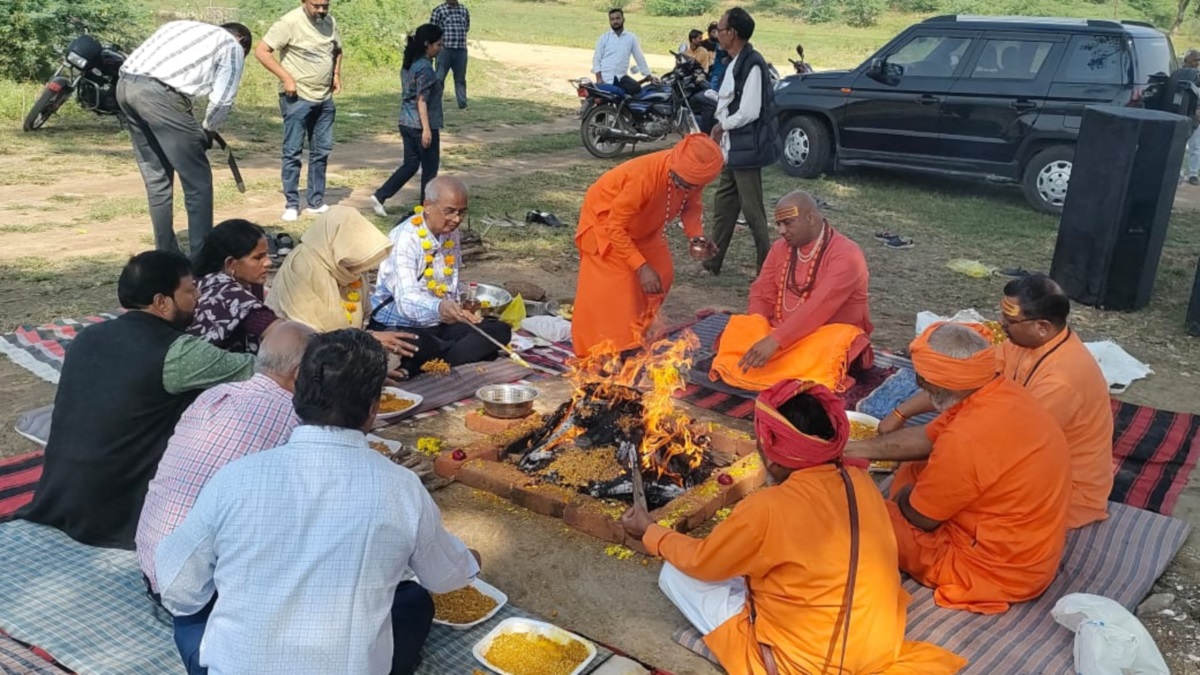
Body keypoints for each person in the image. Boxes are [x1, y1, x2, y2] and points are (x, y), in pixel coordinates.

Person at [156, 329, 481, 675]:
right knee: (413, 602)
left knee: (193, 618)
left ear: (297, 393)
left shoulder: (236, 478)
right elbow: (446, 579)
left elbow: (178, 589)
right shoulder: (401, 488)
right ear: (374, 409)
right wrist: (471, 559)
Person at [621, 381, 966, 675]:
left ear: (770, 453)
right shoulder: (858, 479)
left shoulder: (767, 509)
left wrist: (650, 532)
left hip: (807, 664)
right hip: (877, 646)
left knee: (676, 572)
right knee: (751, 560)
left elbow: (702, 562)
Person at [17, 251, 255, 549]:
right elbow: (261, 371)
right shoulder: (180, 353)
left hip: (58, 494)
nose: (197, 298)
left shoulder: (86, 337)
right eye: (190, 289)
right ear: (162, 302)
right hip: (119, 507)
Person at [846, 323, 1072, 614]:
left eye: (922, 378)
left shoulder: (965, 438)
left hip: (991, 573)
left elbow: (919, 517)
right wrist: (850, 449)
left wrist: (903, 497)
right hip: (1027, 552)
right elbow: (928, 437)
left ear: (939, 383)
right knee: (916, 465)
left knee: (855, 508)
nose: (919, 384)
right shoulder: (1002, 392)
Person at [879, 275, 1113, 529]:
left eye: (1010, 321)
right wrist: (901, 413)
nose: (1001, 325)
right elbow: (963, 380)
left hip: (1062, 492)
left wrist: (931, 451)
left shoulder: (1062, 381)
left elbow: (1001, 445)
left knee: (936, 501)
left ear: (1042, 327)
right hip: (1010, 447)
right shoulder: (1022, 341)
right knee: (921, 472)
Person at [137, 321, 314, 596]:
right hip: (204, 587)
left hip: (153, 562)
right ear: (300, 373)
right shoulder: (294, 417)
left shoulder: (214, 395)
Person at [571, 134, 725, 357]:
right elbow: (615, 226)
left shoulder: (692, 176)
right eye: (683, 182)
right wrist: (640, 267)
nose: (687, 187)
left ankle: (637, 332)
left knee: (663, 274)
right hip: (606, 227)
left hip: (644, 229)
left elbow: (691, 206)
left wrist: (695, 237)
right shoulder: (643, 176)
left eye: (693, 185)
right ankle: (603, 352)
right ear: (674, 165)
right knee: (621, 290)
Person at [710, 191, 873, 391]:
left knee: (824, 348)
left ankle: (772, 372)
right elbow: (762, 292)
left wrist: (775, 341)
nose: (781, 230)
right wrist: (758, 329)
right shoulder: (780, 248)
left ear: (811, 218)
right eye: (778, 224)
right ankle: (775, 370)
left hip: (822, 337)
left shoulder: (847, 254)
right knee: (740, 328)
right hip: (777, 331)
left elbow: (819, 306)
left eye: (787, 223)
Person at [117, 21, 253, 256]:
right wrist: (209, 129)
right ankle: (202, 260)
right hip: (159, 97)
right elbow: (222, 99)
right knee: (197, 181)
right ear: (241, 41)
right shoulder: (231, 46)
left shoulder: (179, 26)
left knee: (157, 179)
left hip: (125, 86)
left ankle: (166, 254)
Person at [369, 177, 510, 376]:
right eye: (450, 211)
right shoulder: (403, 239)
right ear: (427, 206)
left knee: (500, 330)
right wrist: (439, 307)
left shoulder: (450, 233)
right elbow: (406, 301)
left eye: (462, 212)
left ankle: (422, 364)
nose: (457, 219)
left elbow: (448, 283)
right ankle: (435, 359)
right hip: (400, 324)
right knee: (423, 345)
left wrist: (463, 303)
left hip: (440, 323)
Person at [266, 206, 418, 365]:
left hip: (343, 344)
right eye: (353, 261)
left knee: (409, 349)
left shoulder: (352, 266)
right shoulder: (304, 265)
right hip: (297, 355)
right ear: (335, 244)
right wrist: (367, 339)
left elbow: (357, 323)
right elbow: (313, 337)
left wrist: (369, 340)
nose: (357, 269)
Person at [255, 0, 342, 222]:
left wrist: (336, 75)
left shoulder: (330, 22)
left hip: (324, 98)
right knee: (293, 151)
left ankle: (316, 201)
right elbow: (262, 51)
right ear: (304, 2)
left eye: (326, 5)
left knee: (321, 151)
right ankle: (292, 204)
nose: (321, 10)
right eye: (316, 5)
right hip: (297, 98)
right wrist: (286, 78)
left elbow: (337, 49)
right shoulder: (289, 22)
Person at [704, 7, 776, 277]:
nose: (717, 34)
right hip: (734, 149)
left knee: (753, 212)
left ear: (732, 33)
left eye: (720, 30)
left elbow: (749, 111)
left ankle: (766, 269)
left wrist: (723, 125)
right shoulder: (736, 61)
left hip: (746, 147)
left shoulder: (752, 63)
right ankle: (712, 261)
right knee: (724, 205)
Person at [371, 24, 445, 217]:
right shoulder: (426, 69)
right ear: (427, 44)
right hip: (420, 125)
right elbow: (422, 100)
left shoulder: (410, 63)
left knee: (410, 164)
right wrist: (427, 129)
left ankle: (381, 195)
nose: (441, 48)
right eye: (438, 44)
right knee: (429, 169)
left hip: (405, 121)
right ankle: (426, 208)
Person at [187, 219, 280, 353]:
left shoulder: (199, 281)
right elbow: (279, 332)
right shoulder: (228, 296)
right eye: (258, 258)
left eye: (267, 255)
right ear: (231, 264)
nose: (268, 262)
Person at [592, 8, 652, 87]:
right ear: (609, 21)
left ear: (623, 19)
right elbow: (596, 59)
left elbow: (639, 57)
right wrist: (599, 78)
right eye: (612, 19)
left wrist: (648, 75)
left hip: (621, 78)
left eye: (618, 18)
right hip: (606, 78)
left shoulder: (631, 38)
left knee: (636, 91)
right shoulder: (604, 38)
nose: (615, 21)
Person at [430, 0, 470, 111]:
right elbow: (432, 30)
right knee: (439, 78)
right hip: (444, 50)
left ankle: (462, 104)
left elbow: (466, 27)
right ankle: (435, 103)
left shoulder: (463, 10)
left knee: (460, 79)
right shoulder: (439, 10)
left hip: (461, 49)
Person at [1180, 49, 1200, 185]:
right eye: (1195, 60)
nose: (1197, 63)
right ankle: (1178, 173)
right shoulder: (1178, 74)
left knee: (1196, 146)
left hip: (1195, 114)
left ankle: (1193, 173)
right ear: (1187, 60)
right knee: (1179, 145)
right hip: (1180, 113)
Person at [705, 23, 729, 103]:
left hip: (719, 72)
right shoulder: (709, 44)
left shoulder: (723, 44)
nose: (716, 34)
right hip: (714, 70)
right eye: (714, 31)